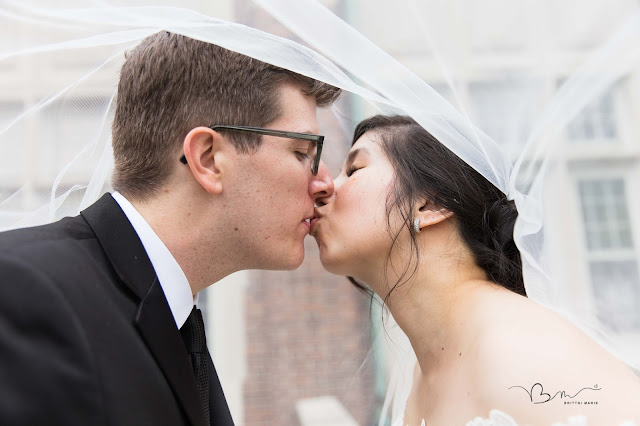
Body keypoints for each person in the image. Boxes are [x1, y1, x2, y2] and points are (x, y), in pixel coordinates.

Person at [0, 31, 339, 426]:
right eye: (302, 153)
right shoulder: (25, 290)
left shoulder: (180, 321)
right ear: (209, 158)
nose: (324, 183)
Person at [310, 115, 640, 425]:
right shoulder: (423, 374)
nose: (323, 187)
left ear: (431, 205)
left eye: (353, 170)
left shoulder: (519, 347)